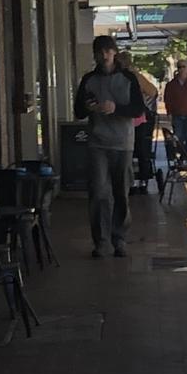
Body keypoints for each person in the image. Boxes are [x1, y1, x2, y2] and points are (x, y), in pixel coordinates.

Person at [74, 35, 145, 259]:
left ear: (114, 53)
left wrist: (115, 108)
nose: (104, 55)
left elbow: (138, 109)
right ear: (95, 54)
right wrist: (89, 107)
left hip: (123, 143)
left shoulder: (128, 78)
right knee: (98, 192)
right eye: (100, 51)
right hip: (97, 142)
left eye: (108, 51)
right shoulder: (88, 80)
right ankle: (101, 241)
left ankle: (119, 238)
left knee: (121, 192)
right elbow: (78, 111)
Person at [116, 51, 158, 194]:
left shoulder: (134, 76)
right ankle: (136, 181)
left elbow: (152, 91)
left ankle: (136, 181)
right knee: (136, 151)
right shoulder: (123, 75)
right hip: (129, 118)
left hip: (135, 119)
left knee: (137, 150)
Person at [163, 59, 187, 155]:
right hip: (176, 114)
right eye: (179, 67)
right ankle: (182, 155)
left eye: (183, 67)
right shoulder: (171, 84)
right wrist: (169, 112)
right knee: (179, 136)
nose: (181, 69)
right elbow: (167, 99)